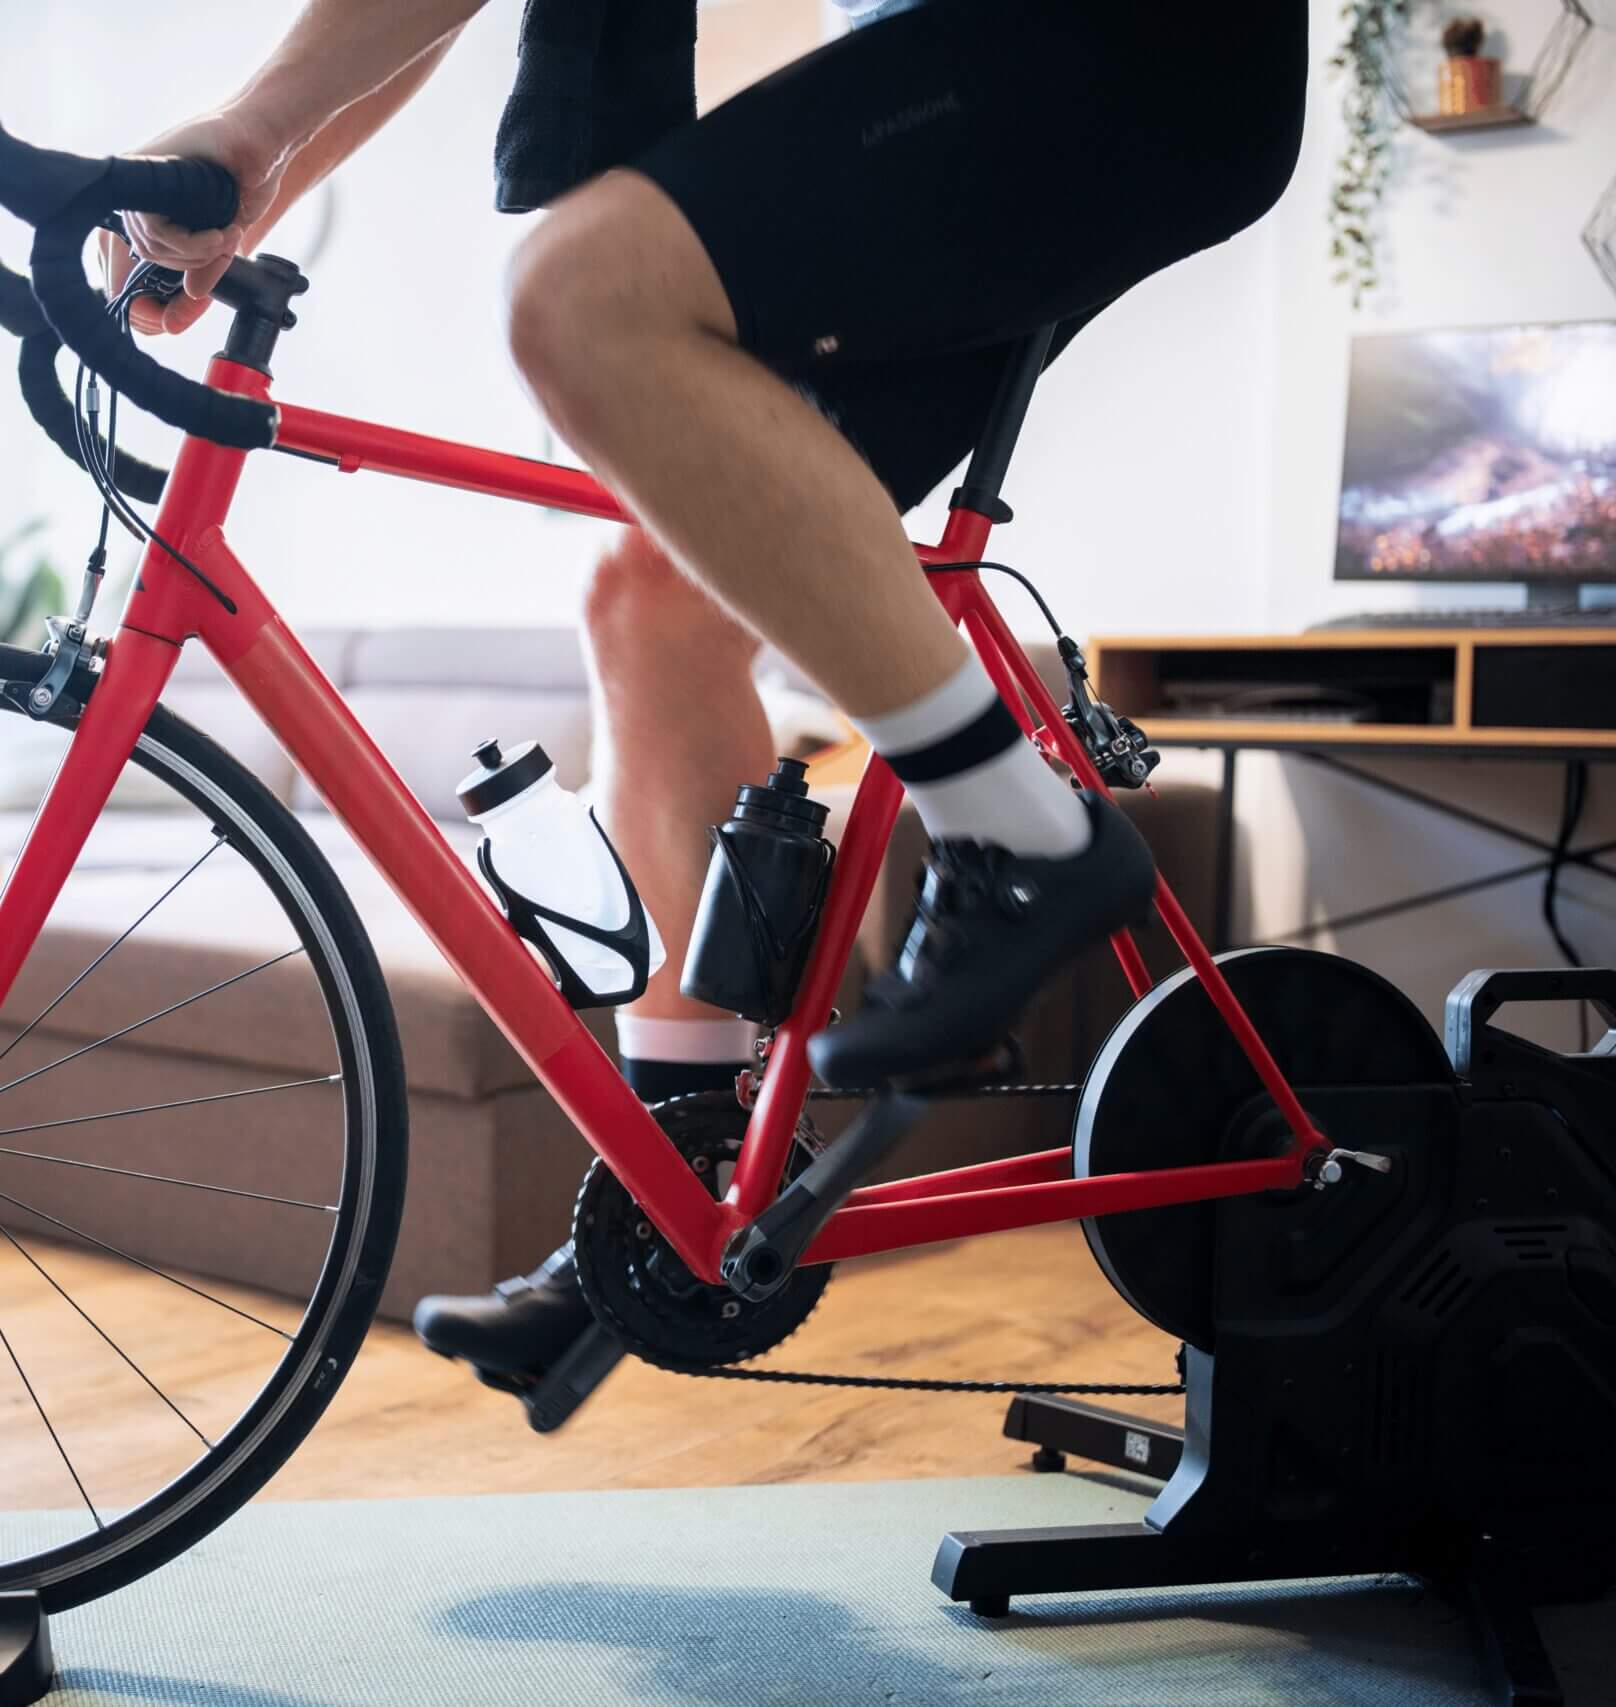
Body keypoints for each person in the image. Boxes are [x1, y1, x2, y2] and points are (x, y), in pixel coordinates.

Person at [109, 0, 1307, 1404]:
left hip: (1134, 50)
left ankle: (1022, 836)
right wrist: (255, 172)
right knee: (651, 606)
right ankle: (681, 1201)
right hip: (1014, 63)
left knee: (578, 294)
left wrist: (254, 139)